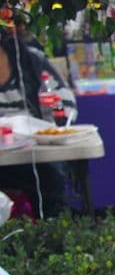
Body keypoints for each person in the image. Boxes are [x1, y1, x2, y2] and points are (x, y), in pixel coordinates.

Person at [0, 27, 77, 217]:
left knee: (48, 186)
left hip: (36, 159)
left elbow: (67, 105)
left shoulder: (31, 61)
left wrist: (50, 119)